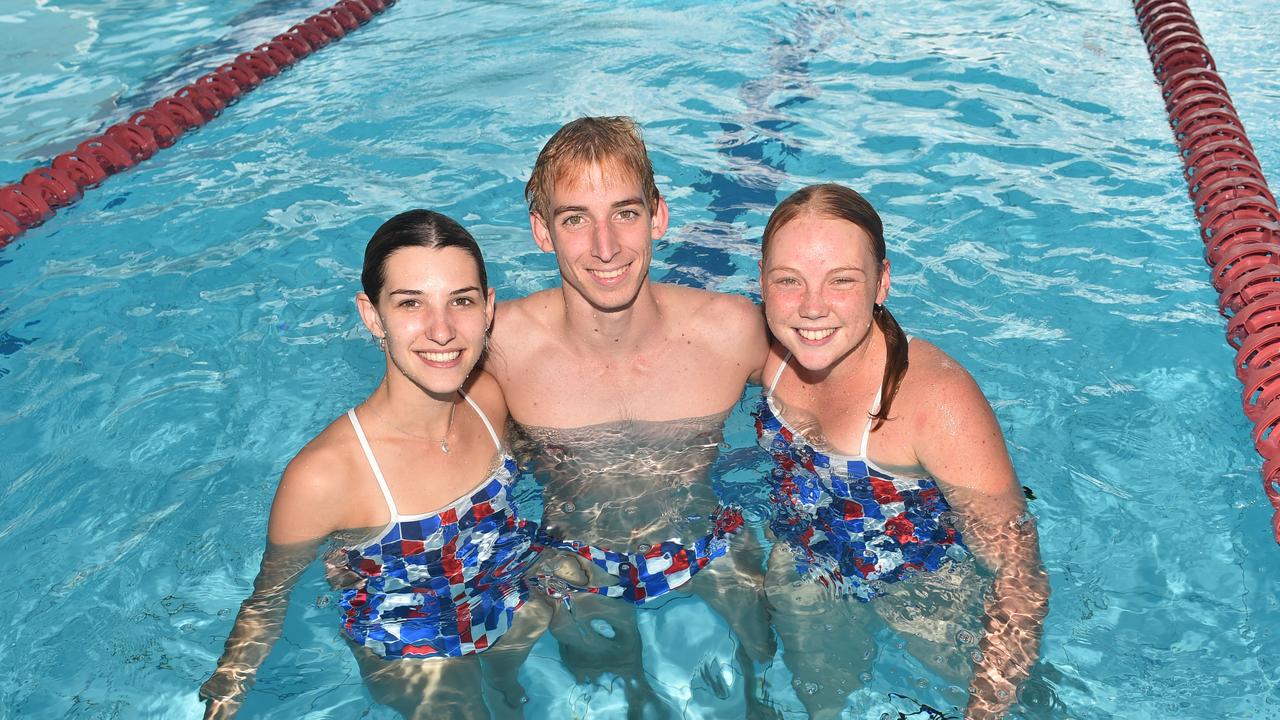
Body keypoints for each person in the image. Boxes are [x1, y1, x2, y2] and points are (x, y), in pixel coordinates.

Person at [199, 210, 545, 719]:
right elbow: (267, 603)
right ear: (372, 315)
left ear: (489, 309)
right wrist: (224, 702)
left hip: (506, 600)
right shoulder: (326, 475)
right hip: (413, 650)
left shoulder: (489, 402)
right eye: (411, 303)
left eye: (462, 301)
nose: (442, 330)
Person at [484, 116, 775, 716]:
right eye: (575, 219)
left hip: (708, 545)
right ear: (543, 232)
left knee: (762, 677)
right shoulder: (499, 348)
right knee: (597, 696)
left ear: (658, 216)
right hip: (574, 565)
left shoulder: (732, 331)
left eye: (625, 213)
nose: (605, 246)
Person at [755, 183, 1050, 719]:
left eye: (841, 280)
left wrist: (986, 710)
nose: (812, 306)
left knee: (1024, 709)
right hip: (808, 557)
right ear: (762, 283)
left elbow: (1017, 571)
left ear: (881, 283)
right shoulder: (767, 352)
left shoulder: (934, 400)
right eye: (789, 281)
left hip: (923, 588)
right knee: (819, 704)